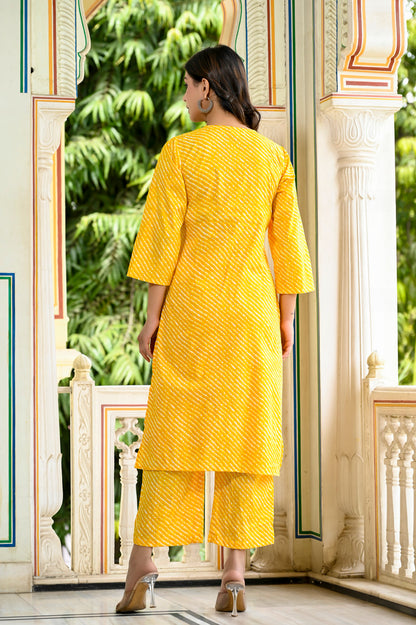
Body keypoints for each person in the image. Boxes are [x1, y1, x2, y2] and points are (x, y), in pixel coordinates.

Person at [116, 44, 314, 617]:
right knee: (247, 439)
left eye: (187, 86)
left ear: (207, 88)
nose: (184, 97)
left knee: (173, 438)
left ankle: (144, 564)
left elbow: (161, 244)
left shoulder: (181, 153)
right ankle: (233, 577)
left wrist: (152, 318)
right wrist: (286, 319)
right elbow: (290, 250)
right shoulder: (272, 159)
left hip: (192, 317)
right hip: (252, 318)